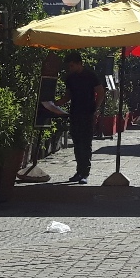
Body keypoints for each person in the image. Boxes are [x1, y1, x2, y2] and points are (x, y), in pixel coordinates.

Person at [61, 53, 104, 184]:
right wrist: (54, 104)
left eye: (72, 65)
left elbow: (100, 91)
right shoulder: (70, 78)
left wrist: (95, 108)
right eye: (69, 66)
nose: (70, 68)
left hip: (87, 113)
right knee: (77, 143)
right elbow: (67, 96)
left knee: (85, 143)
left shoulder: (90, 76)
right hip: (75, 112)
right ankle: (79, 171)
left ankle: (85, 172)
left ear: (79, 63)